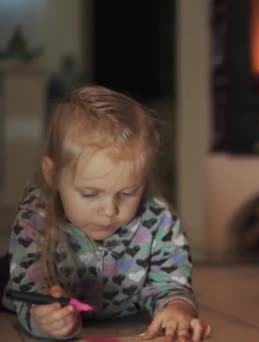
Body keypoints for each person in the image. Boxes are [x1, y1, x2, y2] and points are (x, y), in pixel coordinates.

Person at [1, 86, 209, 341]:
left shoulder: (159, 219)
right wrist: (43, 318)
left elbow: (172, 284)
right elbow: (27, 290)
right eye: (90, 194)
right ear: (52, 175)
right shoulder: (35, 216)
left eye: (128, 192)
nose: (110, 211)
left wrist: (177, 310)